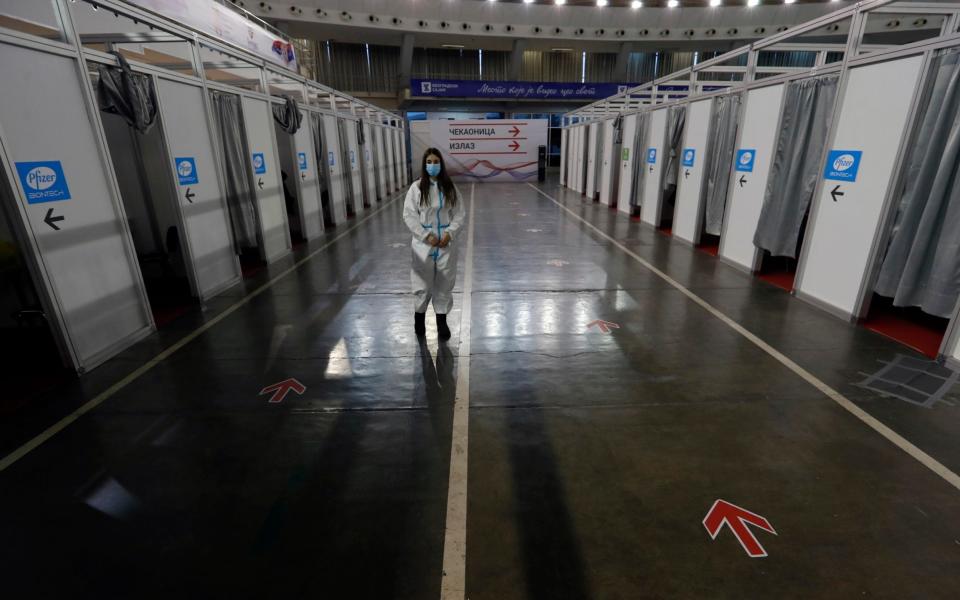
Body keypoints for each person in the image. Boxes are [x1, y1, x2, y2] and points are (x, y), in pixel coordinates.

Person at [403, 148, 466, 340]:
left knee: (445, 281)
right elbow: (409, 215)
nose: (432, 165)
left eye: (436, 161)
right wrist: (425, 235)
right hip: (423, 244)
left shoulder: (450, 187)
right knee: (422, 282)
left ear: (441, 164)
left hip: (446, 243)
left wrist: (450, 233)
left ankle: (441, 322)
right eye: (429, 161)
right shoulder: (416, 188)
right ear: (424, 164)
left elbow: (459, 213)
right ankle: (419, 318)